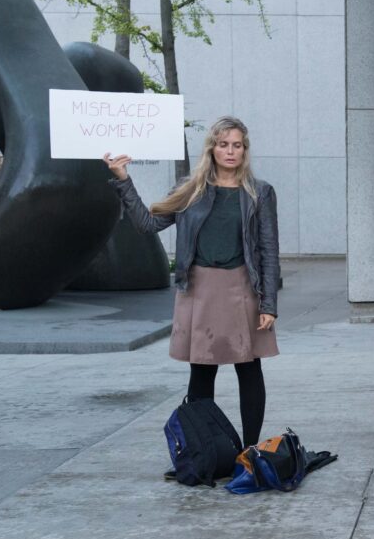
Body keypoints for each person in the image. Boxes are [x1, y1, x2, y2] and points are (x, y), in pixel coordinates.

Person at [103, 116, 279, 446]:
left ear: (245, 151)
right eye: (223, 144)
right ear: (212, 148)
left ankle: (249, 450)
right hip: (199, 289)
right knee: (201, 371)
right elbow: (146, 224)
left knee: (249, 368)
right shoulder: (191, 190)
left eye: (237, 145)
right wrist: (123, 179)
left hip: (242, 288)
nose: (230, 151)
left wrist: (269, 303)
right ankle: (205, 451)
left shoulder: (260, 193)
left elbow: (269, 250)